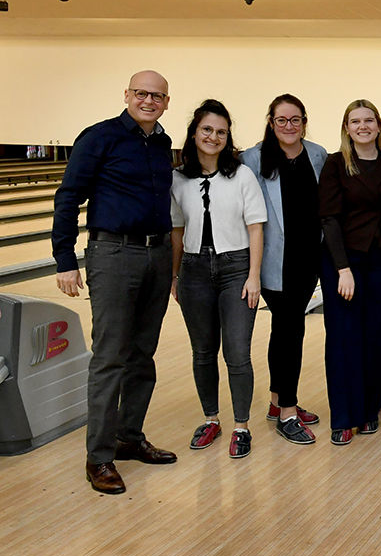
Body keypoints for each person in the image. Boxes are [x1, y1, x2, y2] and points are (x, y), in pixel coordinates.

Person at [53, 70, 178, 494]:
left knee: (143, 354)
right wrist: (64, 260)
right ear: (127, 95)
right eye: (141, 93)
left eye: (157, 95)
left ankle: (129, 437)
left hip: (157, 254)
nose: (148, 100)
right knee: (110, 356)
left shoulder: (163, 143)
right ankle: (99, 458)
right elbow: (68, 196)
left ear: (166, 101)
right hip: (113, 253)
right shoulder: (100, 136)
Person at [170, 100, 267, 459]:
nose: (213, 136)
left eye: (221, 132)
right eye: (207, 130)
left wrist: (253, 276)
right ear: (194, 133)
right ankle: (211, 419)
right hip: (194, 270)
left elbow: (255, 227)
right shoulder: (178, 178)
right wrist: (175, 275)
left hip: (236, 268)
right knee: (203, 352)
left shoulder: (241, 175)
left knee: (237, 353)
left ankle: (241, 425)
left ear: (228, 137)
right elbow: (177, 230)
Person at [319, 100, 381, 446]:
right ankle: (344, 416)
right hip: (344, 262)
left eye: (368, 120)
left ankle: (369, 408)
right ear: (346, 127)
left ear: (378, 125)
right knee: (343, 338)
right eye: (355, 121)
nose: (362, 126)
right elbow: (328, 218)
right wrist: (343, 268)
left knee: (377, 335)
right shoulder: (335, 163)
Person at [241, 94, 328, 446]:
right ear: (271, 122)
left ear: (304, 122)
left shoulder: (317, 154)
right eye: (282, 120)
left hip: (309, 259)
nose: (289, 126)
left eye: (296, 120)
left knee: (287, 329)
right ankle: (288, 412)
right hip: (275, 260)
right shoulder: (252, 158)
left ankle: (278, 402)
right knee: (289, 330)